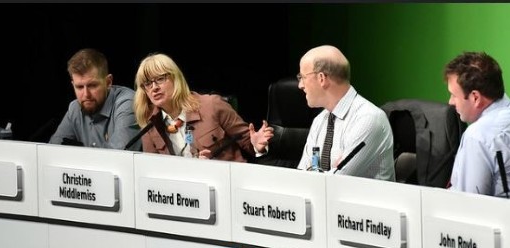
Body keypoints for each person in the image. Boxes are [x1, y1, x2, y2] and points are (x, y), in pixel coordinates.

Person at [133, 53, 273, 161]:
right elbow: (152, 172)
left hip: (226, 184)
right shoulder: (150, 126)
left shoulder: (212, 105)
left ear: (176, 78)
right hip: (182, 194)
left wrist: (257, 145)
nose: (154, 88)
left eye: (160, 79)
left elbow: (248, 143)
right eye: (147, 83)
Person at [296, 45, 395, 180]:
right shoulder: (320, 121)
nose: (300, 85)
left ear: (321, 78)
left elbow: (336, 182)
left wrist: (326, 174)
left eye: (302, 77)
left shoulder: (369, 118)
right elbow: (301, 177)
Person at [444, 51, 510, 197]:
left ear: (475, 97)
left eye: (454, 95)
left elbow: (468, 205)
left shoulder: (478, 136)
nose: (450, 102)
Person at [49, 48, 141, 150]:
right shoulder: (74, 108)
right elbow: (53, 151)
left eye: (92, 85)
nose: (86, 94)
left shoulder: (128, 103)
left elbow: (117, 158)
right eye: (79, 87)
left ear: (108, 82)